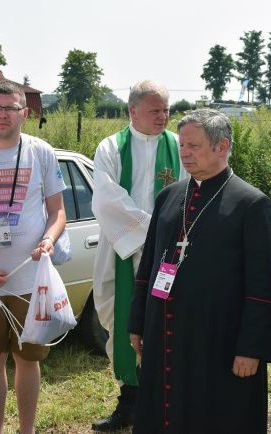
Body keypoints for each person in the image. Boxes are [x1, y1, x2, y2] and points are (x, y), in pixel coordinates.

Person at [128, 109, 271, 433]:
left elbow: (262, 288)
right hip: (165, 332)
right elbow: (148, 266)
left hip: (218, 340)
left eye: (194, 146)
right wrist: (138, 323)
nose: (185, 153)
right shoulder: (169, 197)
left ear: (221, 146)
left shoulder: (252, 206)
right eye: (182, 145)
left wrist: (251, 348)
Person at [0, 80, 66, 434]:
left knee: (27, 359)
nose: (3, 114)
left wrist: (49, 241)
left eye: (11, 107)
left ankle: (27, 430)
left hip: (29, 279)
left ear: (25, 112)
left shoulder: (41, 152)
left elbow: (58, 213)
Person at [91, 79, 186, 431]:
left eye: (166, 110)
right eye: (155, 110)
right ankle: (129, 401)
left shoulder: (179, 146)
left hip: (169, 252)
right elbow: (105, 198)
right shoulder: (112, 147)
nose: (163, 117)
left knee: (166, 321)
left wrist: (165, 235)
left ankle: (164, 401)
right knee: (119, 317)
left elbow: (191, 192)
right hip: (121, 247)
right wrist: (151, 230)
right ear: (133, 111)